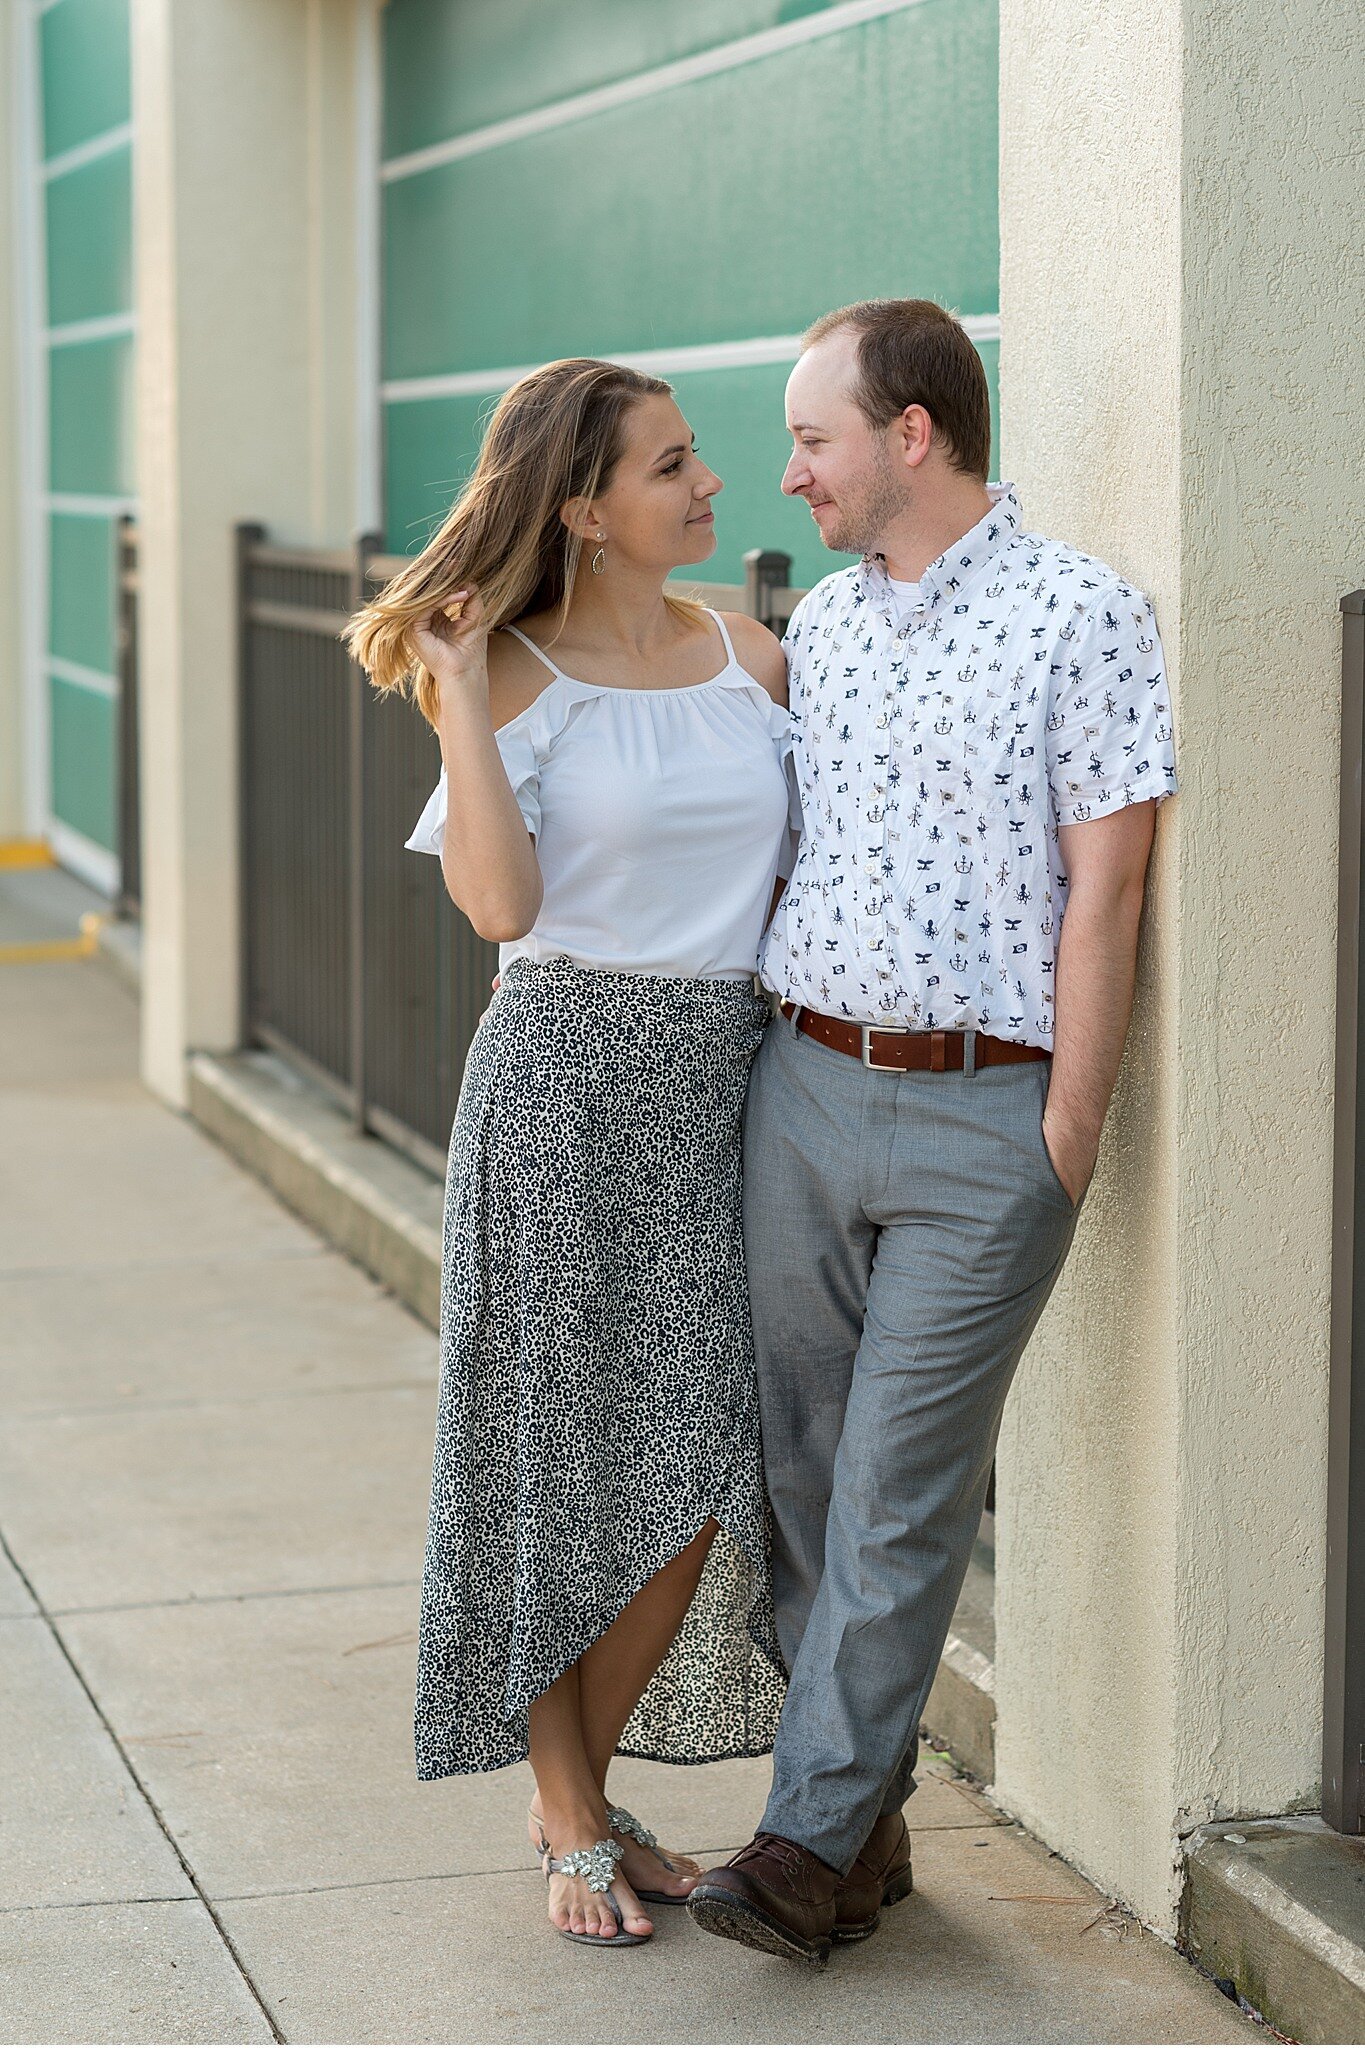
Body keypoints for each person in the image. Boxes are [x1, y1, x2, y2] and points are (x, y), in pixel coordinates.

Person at [687, 298, 1179, 1967]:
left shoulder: (1081, 616)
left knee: (899, 1497)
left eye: (812, 436)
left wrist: (1067, 1127)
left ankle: (796, 1843)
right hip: (804, 1089)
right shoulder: (818, 626)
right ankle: (866, 1827)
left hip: (987, 1120)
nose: (789, 469)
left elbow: (1109, 884)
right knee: (807, 1488)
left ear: (912, 433)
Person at [344, 358, 795, 1949]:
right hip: (561, 1090)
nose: (709, 484)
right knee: (550, 1465)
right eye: (672, 466)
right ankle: (573, 1813)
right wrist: (462, 694)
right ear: (586, 510)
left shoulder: (753, 659)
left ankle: (578, 1799)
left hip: (728, 1086)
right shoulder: (516, 682)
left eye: (700, 459)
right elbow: (497, 909)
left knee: (693, 1477)